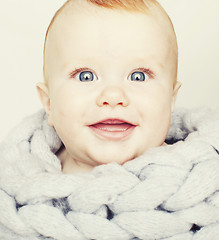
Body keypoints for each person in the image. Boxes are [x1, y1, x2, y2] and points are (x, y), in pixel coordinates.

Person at [1, 0, 219, 239]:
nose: (113, 96)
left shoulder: (199, 189)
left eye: (138, 76)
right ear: (49, 103)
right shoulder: (18, 193)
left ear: (170, 100)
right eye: (85, 76)